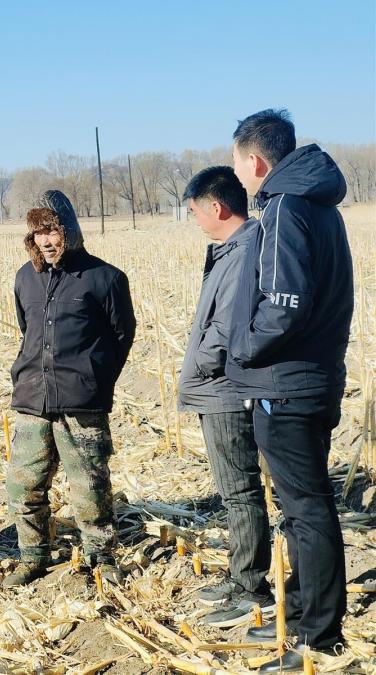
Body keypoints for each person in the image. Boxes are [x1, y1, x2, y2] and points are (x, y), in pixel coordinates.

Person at [227, 109, 352, 671]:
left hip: (288, 385)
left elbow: (284, 303)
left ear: (256, 161)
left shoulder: (284, 208)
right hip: (314, 378)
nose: (239, 176)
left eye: (238, 164)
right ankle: (300, 616)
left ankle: (319, 637)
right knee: (304, 509)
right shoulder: (320, 208)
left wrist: (243, 349)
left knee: (307, 509)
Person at [3, 190, 135, 587]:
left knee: (90, 486)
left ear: (70, 231)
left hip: (82, 402)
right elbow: (27, 331)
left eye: (53, 230)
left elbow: (122, 337)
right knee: (23, 486)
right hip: (32, 399)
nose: (46, 241)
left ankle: (100, 557)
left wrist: (94, 379)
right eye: (38, 232)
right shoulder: (25, 278)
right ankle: (33, 556)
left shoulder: (105, 278)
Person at [177, 167, 273, 627]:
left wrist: (199, 364)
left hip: (225, 390)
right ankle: (241, 577)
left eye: (194, 211)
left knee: (240, 491)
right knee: (234, 491)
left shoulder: (244, 251)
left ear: (215, 208)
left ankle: (252, 588)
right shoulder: (232, 249)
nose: (194, 220)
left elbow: (227, 326)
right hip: (216, 388)